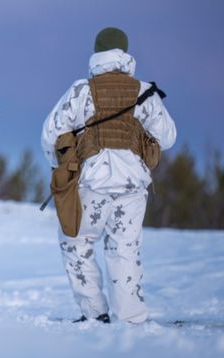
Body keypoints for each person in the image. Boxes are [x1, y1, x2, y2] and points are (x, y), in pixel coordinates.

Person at [41, 27, 176, 324]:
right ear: (126, 53)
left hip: (92, 183)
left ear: (97, 53)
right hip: (133, 186)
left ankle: (94, 313)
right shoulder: (145, 92)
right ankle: (130, 318)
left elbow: (50, 133)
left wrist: (59, 167)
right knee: (124, 249)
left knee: (76, 242)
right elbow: (168, 137)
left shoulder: (81, 90)